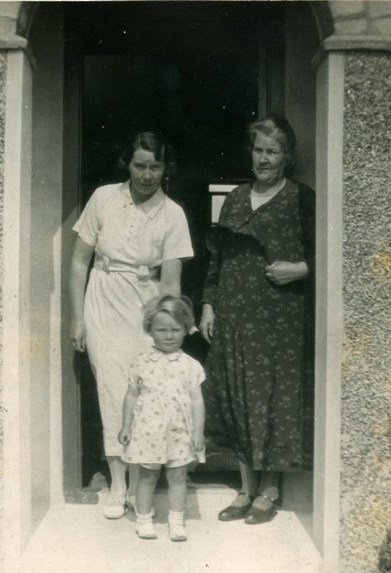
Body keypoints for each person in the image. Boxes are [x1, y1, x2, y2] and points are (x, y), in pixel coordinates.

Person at [69, 132, 194, 519]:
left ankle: (142, 480)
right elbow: (79, 262)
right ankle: (118, 484)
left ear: (164, 168)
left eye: (155, 166)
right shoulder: (103, 198)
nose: (147, 175)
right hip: (103, 299)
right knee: (110, 389)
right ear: (128, 163)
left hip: (146, 304)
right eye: (140, 165)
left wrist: (164, 330)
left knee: (143, 390)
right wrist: (77, 316)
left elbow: (171, 284)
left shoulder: (172, 214)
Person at [199, 115, 315, 525]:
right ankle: (245, 488)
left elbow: (332, 253)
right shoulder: (235, 198)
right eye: (258, 150)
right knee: (237, 395)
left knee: (272, 399)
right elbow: (218, 258)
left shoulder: (302, 199)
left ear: (287, 157)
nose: (263, 159)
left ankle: (269, 490)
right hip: (234, 311)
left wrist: (301, 269)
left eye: (272, 151)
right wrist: (209, 304)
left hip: (279, 317)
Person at [119, 295, 205, 541]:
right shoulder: (141, 363)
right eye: (162, 329)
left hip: (180, 431)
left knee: (178, 476)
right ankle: (144, 519)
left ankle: (176, 521)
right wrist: (126, 425)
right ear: (150, 330)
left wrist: (198, 432)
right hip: (148, 431)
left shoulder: (191, 365)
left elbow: (197, 401)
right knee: (148, 477)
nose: (169, 335)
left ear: (186, 329)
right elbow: (131, 396)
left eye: (175, 329)